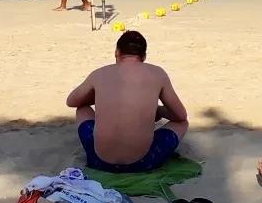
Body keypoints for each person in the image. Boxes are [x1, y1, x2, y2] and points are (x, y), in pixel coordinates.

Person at [66, 30, 188, 173]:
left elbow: (72, 101)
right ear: (144, 56)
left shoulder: (100, 73)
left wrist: (99, 96)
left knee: (82, 108)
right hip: (143, 163)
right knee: (182, 124)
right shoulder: (157, 73)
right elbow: (181, 116)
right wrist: (158, 110)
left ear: (117, 53)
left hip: (99, 161)